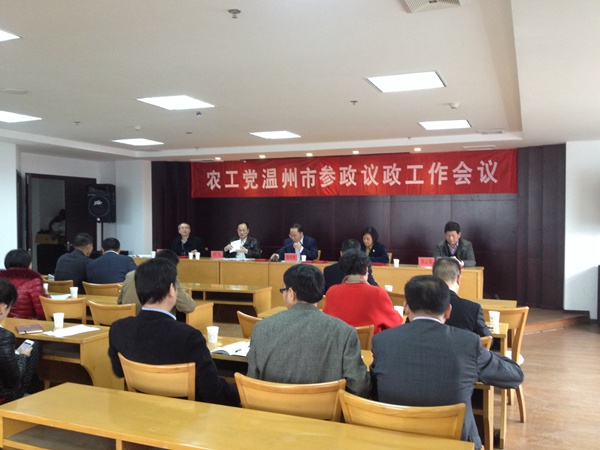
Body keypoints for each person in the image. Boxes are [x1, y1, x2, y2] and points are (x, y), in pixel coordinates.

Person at [370, 275, 523, 450]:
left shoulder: (382, 341)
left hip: (395, 441)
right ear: (448, 311)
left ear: (406, 307)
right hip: (457, 443)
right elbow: (514, 376)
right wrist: (483, 355)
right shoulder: (467, 344)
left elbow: (375, 389)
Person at [108, 258, 239, 406]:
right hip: (185, 415)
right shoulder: (189, 337)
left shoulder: (118, 329)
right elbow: (212, 392)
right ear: (171, 290)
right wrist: (240, 392)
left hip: (140, 408)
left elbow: (119, 371)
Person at [247, 264, 370, 397]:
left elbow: (251, 382)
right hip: (325, 410)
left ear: (291, 294)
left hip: (269, 408)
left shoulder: (261, 328)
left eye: (283, 290)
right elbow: (359, 387)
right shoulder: (344, 332)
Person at [324, 249, 402, 334]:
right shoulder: (377, 293)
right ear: (366, 269)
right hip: (370, 342)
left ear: (343, 270)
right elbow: (396, 323)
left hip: (339, 341)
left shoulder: (332, 292)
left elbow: (325, 323)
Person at [0, 279, 43, 404]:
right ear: (3, 307)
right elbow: (14, 379)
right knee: (35, 345)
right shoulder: (4, 336)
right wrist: (23, 356)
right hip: (4, 397)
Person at [118, 249, 196, 315]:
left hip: (128, 320)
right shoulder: (169, 277)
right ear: (172, 266)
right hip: (157, 323)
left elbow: (120, 301)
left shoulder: (130, 275)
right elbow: (189, 307)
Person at [433, 257, 491, 338]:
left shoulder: (421, 306)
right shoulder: (473, 309)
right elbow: (487, 339)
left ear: (433, 279)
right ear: (458, 279)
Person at [0, 250, 44, 320]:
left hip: (3, 321)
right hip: (28, 322)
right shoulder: (33, 280)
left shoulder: (1, 280)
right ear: (29, 264)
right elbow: (42, 312)